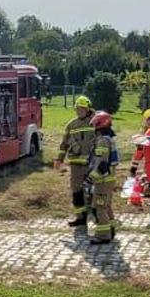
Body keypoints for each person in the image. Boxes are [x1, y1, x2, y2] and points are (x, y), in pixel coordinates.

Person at [59, 95, 96, 227]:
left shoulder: (95, 122)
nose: (79, 111)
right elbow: (64, 144)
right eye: (77, 109)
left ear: (88, 109)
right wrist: (59, 159)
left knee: (94, 190)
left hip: (93, 164)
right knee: (76, 191)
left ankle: (98, 216)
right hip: (76, 165)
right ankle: (80, 218)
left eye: (82, 109)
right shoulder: (71, 124)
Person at [85, 111, 120, 243]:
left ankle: (103, 236)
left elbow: (102, 163)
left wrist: (91, 178)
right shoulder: (109, 139)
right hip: (109, 179)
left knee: (99, 207)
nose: (94, 128)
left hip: (103, 180)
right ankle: (110, 230)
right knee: (107, 206)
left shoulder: (103, 141)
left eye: (95, 125)